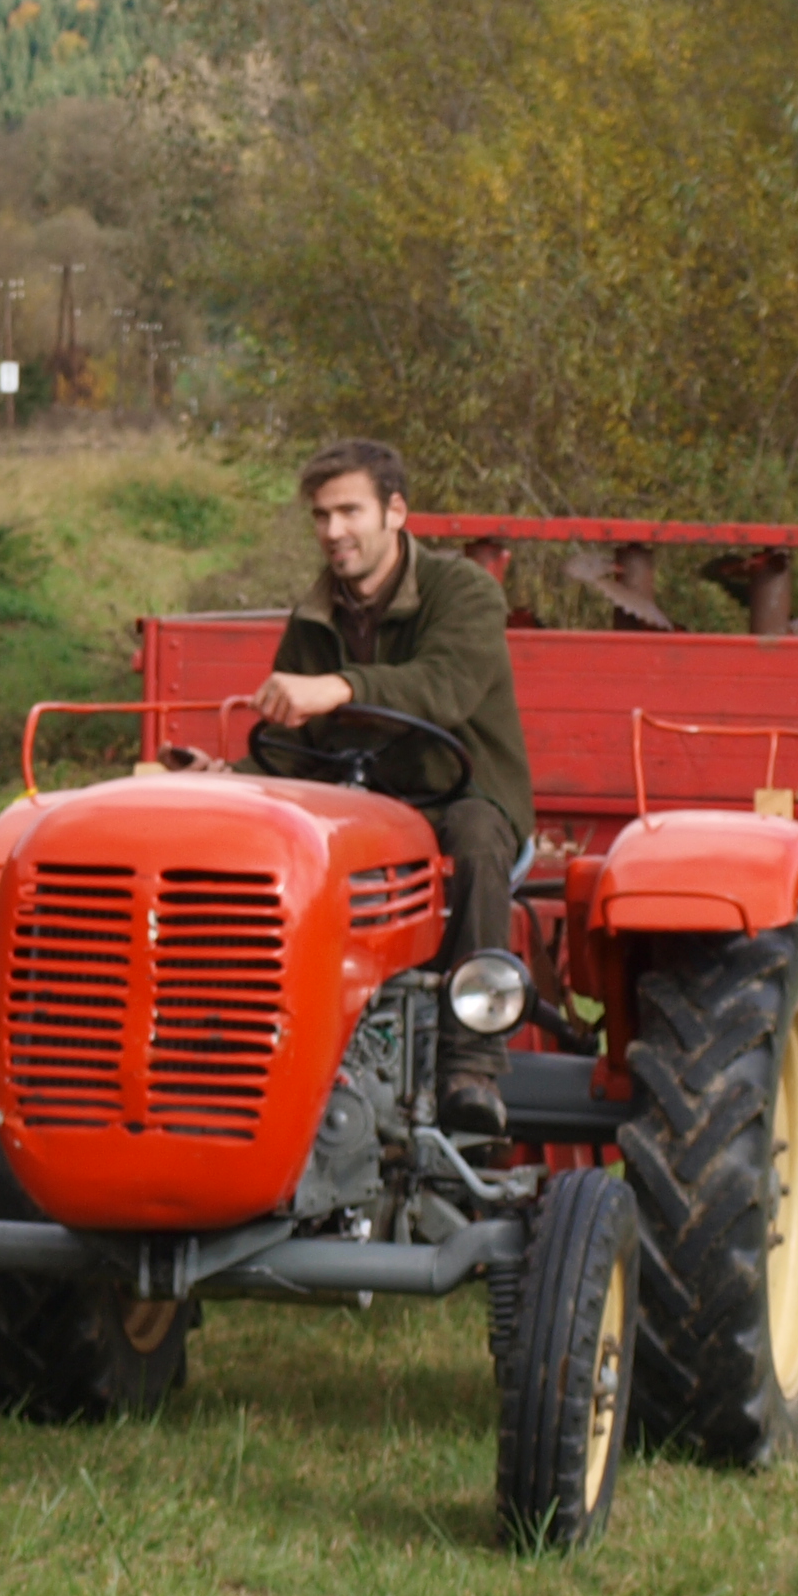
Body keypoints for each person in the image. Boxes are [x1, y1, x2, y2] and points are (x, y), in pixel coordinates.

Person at [252, 437, 533, 1136]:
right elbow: (295, 747)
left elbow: (445, 687)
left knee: (476, 837)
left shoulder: (463, 592)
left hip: (456, 797)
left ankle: (471, 1062)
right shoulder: (316, 616)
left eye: (349, 511)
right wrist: (225, 779)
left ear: (395, 512)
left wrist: (340, 686)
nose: (333, 531)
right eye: (321, 516)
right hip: (359, 808)